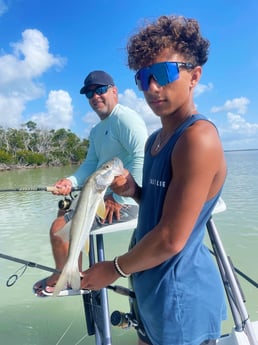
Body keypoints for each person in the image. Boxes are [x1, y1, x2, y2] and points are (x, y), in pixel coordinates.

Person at [80, 15, 227, 345]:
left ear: (194, 76)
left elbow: (172, 238)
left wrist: (113, 269)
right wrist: (134, 191)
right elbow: (160, 208)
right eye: (143, 77)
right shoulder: (155, 140)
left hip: (181, 299)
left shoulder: (198, 139)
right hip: (149, 291)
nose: (152, 87)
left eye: (163, 73)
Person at [33, 70, 148, 295]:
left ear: (114, 91)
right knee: (61, 213)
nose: (95, 96)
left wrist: (119, 197)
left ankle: (67, 276)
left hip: (128, 201)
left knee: (58, 228)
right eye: (89, 94)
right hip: (103, 195)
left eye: (101, 90)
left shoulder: (124, 118)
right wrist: (68, 180)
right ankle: (71, 271)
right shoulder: (97, 130)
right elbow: (90, 164)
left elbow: (142, 156)